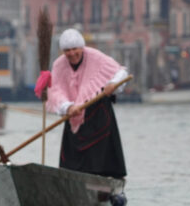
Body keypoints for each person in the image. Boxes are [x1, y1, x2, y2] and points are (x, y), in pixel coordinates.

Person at [42, 28, 128, 178]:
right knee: (73, 162)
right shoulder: (58, 64)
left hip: (99, 115)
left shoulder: (95, 56)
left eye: (75, 49)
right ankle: (71, 184)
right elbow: (55, 91)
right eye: (67, 50)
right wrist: (67, 106)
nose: (71, 53)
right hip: (74, 115)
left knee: (101, 158)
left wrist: (113, 83)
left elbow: (120, 73)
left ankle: (104, 184)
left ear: (81, 48)